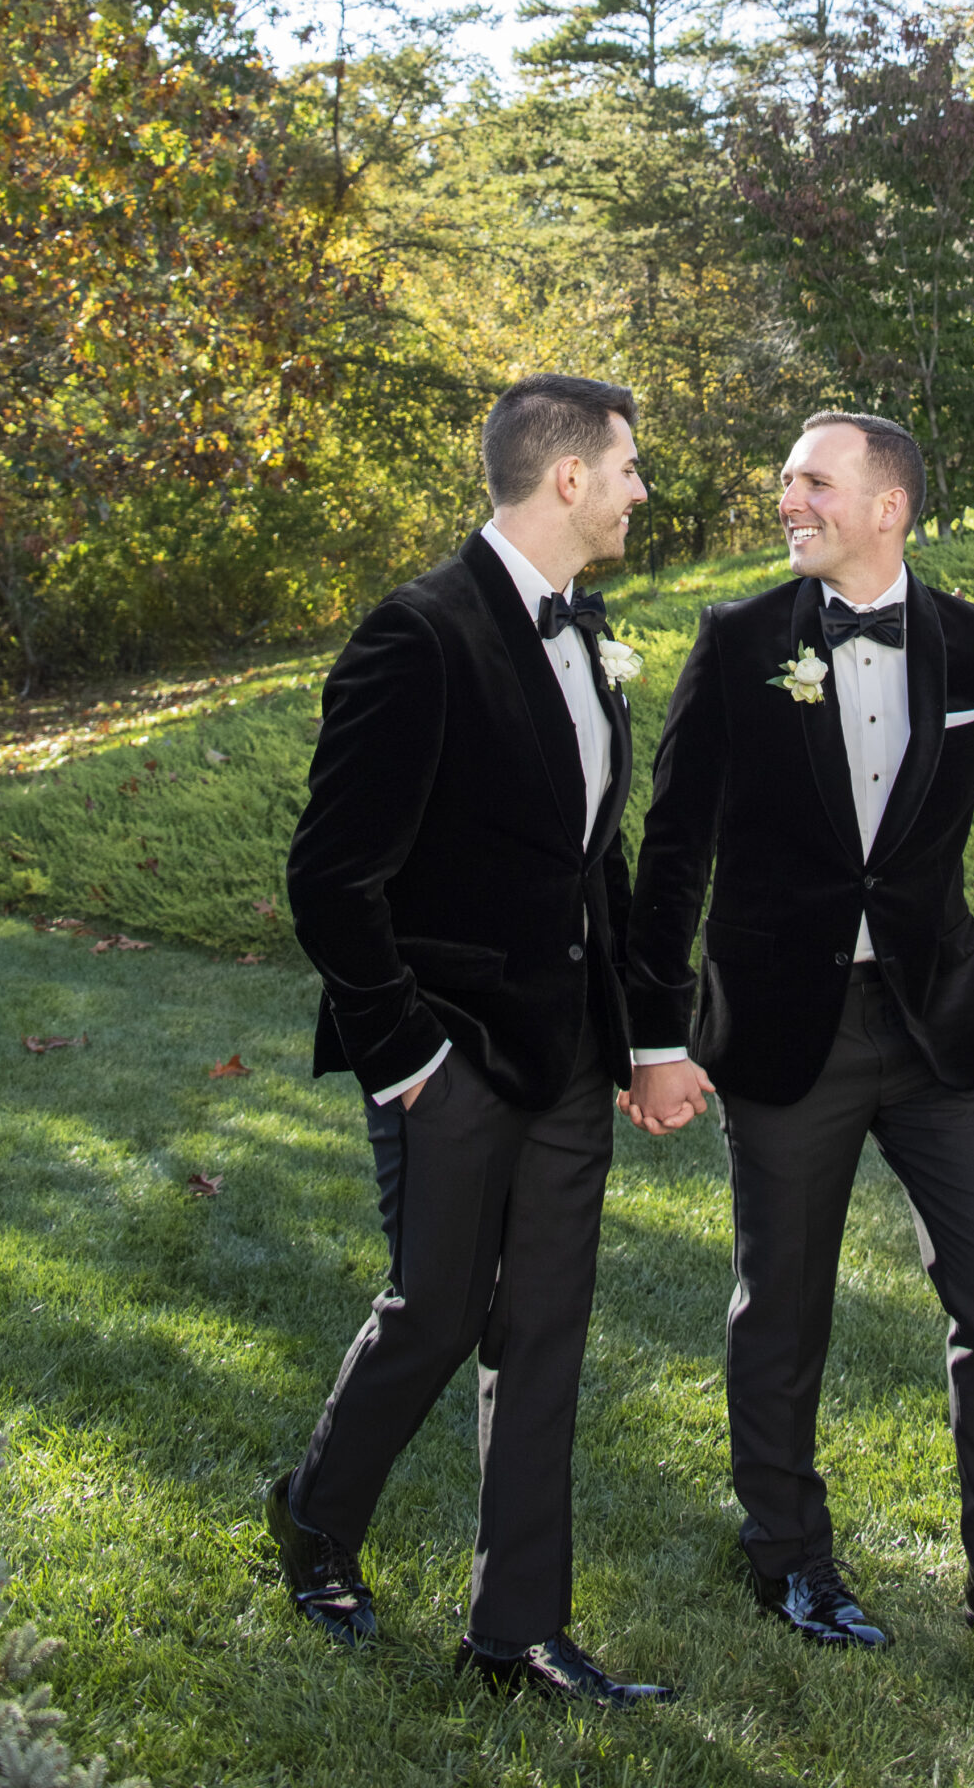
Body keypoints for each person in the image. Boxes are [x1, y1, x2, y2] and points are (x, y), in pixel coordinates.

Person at [619, 411, 974, 1671]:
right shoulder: (737, 642)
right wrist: (652, 1034)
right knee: (781, 1307)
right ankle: (788, 1558)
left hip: (937, 1033)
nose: (788, 498)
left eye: (813, 481)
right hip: (783, 1033)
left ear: (888, 505)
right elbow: (673, 849)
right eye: (786, 481)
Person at [268, 373, 673, 1708]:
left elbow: (585, 861)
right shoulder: (418, 637)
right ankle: (317, 1522)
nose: (637, 490)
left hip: (563, 1051)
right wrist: (406, 1056)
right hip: (446, 1056)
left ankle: (518, 1635)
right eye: (625, 467)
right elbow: (333, 877)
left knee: (546, 1330)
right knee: (438, 1312)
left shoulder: (588, 627)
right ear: (565, 478)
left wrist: (640, 1037)